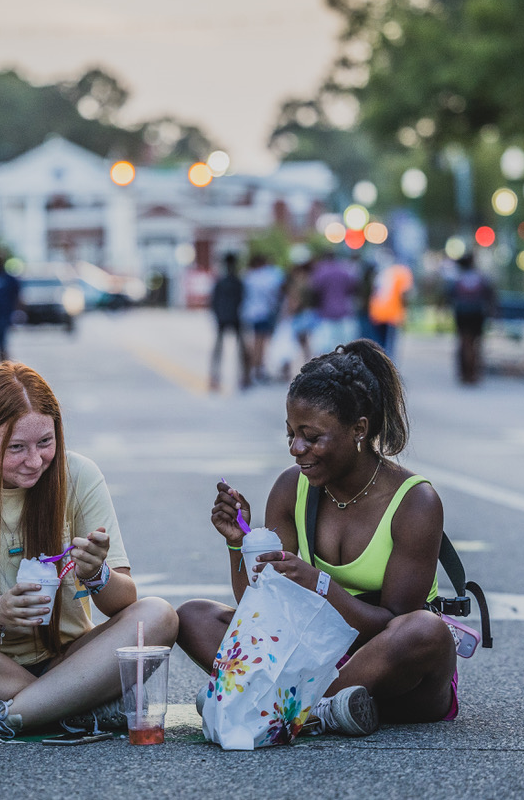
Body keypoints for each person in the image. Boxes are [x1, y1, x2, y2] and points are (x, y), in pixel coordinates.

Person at [177, 339, 459, 736]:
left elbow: (393, 625)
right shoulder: (292, 488)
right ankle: (319, 710)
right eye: (291, 433)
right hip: (314, 656)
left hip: (390, 669)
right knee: (193, 616)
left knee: (426, 632)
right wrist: (238, 542)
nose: (296, 448)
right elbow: (256, 610)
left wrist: (318, 583)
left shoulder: (415, 502)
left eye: (311, 436)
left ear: (359, 429)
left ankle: (277, 706)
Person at [0, 361, 178, 741]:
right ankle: (73, 708)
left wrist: (97, 574)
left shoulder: (79, 474)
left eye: (45, 442)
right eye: (16, 448)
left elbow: (123, 602)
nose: (34, 460)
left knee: (158, 615)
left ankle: (2, 718)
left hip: (74, 659)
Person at [446, 254, 495, 385]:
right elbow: (490, 295)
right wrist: (493, 313)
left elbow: (450, 296)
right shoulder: (481, 277)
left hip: (462, 313)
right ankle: (474, 373)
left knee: (464, 343)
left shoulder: (457, 279)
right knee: (476, 344)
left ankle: (465, 373)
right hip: (477, 313)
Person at [240, 252, 285, 384]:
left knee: (257, 341)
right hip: (264, 312)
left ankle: (257, 369)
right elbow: (276, 291)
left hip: (251, 313)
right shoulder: (268, 276)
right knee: (260, 342)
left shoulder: (249, 276)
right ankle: (258, 369)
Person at [208, 251, 249, 391]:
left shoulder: (224, 282)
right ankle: (242, 378)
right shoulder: (237, 282)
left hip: (226, 317)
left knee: (224, 350)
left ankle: (216, 378)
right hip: (233, 317)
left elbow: (213, 302)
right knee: (237, 350)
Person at [369, 256, 414, 362]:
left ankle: (377, 364)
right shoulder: (403, 272)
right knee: (390, 346)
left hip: (376, 312)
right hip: (392, 314)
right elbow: (404, 294)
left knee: (379, 343)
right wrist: (405, 311)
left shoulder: (383, 271)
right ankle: (387, 368)